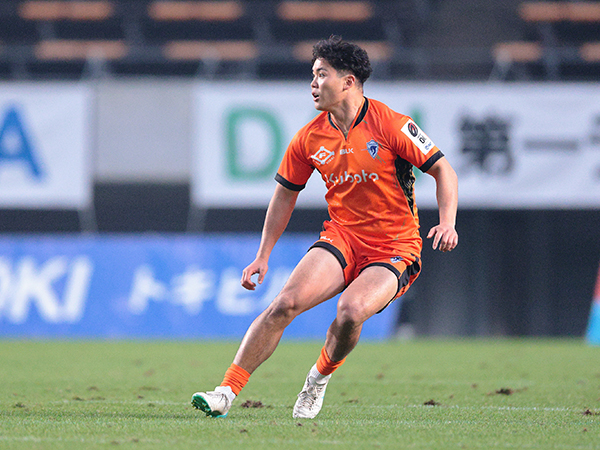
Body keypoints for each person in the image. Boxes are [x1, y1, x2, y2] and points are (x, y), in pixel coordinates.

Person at [191, 35, 458, 419]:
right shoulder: (309, 137)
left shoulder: (393, 125)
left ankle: (318, 379)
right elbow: (284, 196)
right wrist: (263, 255)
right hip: (342, 237)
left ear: (348, 82)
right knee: (284, 304)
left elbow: (443, 170)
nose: (313, 84)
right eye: (313, 75)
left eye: (321, 75)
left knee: (350, 311)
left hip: (394, 246)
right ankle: (225, 393)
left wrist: (447, 223)